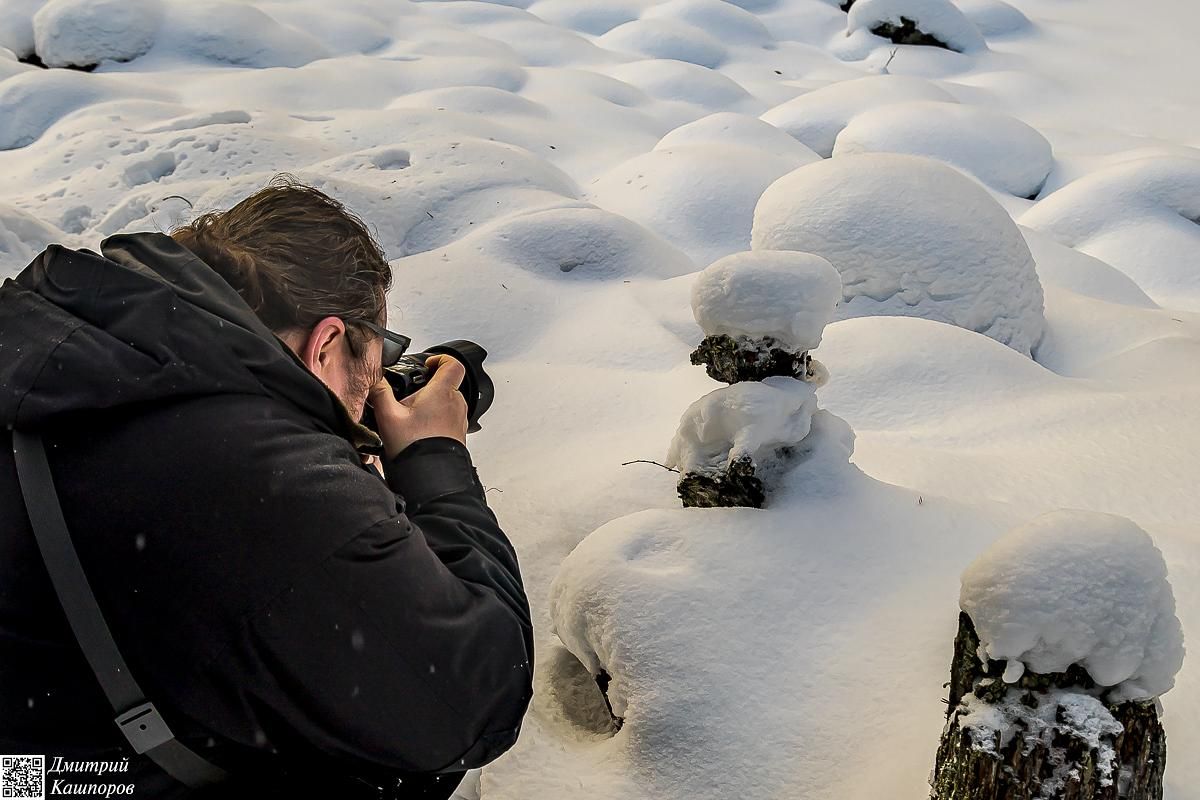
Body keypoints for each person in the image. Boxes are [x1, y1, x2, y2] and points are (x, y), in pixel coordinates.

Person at [0, 176, 534, 798]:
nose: (378, 382)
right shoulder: (254, 474)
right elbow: (473, 703)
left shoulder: (66, 355)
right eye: (375, 355)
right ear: (327, 342)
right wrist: (433, 459)